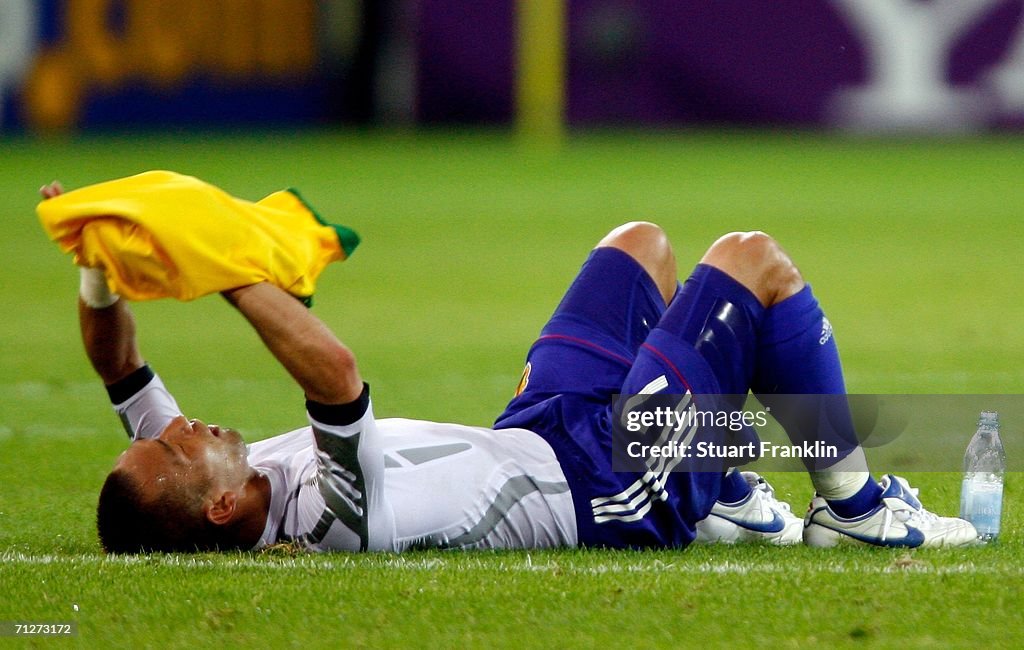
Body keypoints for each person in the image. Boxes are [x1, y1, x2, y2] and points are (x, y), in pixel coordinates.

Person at [40, 179, 977, 554]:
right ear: (214, 506)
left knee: (641, 245)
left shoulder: (206, 477)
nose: (175, 426)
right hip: (601, 484)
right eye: (173, 450)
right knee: (753, 259)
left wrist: (95, 262)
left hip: (537, 432)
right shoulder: (330, 516)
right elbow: (334, 372)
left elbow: (119, 366)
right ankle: (856, 514)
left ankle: (724, 484)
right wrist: (224, 266)